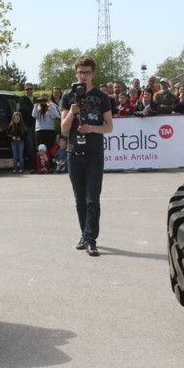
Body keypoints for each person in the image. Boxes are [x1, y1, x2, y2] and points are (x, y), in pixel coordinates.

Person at [60, 55, 113, 257]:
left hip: (94, 154)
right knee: (80, 200)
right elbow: (64, 129)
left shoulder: (101, 97)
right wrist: (71, 112)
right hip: (74, 153)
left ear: (93, 74)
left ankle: (91, 239)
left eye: (87, 72)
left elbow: (109, 127)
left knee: (93, 199)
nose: (83, 76)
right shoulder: (67, 97)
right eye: (80, 72)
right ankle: (84, 234)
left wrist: (91, 128)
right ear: (76, 73)